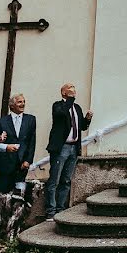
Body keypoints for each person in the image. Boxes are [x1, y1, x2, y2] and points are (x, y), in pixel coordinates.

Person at [45, 83, 92, 219]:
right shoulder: (58, 105)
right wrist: (70, 100)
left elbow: (82, 127)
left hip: (73, 147)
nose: (74, 91)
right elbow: (61, 115)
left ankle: (61, 208)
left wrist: (87, 119)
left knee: (66, 180)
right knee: (55, 179)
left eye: (74, 89)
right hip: (61, 147)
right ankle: (50, 211)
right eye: (70, 89)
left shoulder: (77, 108)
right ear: (63, 93)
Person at [0, 93, 37, 194]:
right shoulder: (2, 121)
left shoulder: (30, 119)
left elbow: (32, 142)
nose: (23, 104)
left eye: (24, 102)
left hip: (22, 164)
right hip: (5, 164)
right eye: (19, 102)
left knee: (19, 194)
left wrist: (28, 160)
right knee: (2, 194)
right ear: (12, 106)